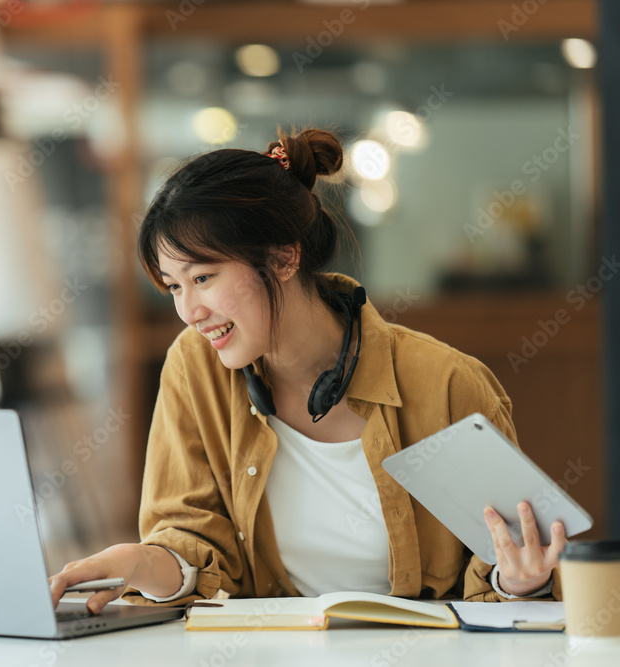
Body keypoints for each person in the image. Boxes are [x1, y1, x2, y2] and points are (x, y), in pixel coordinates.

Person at [47, 127, 566, 615]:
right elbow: (190, 541)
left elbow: (507, 563)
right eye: (174, 286)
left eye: (203, 277)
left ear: (283, 259)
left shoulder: (446, 384)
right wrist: (143, 563)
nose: (190, 311)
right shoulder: (195, 366)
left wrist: (519, 580)